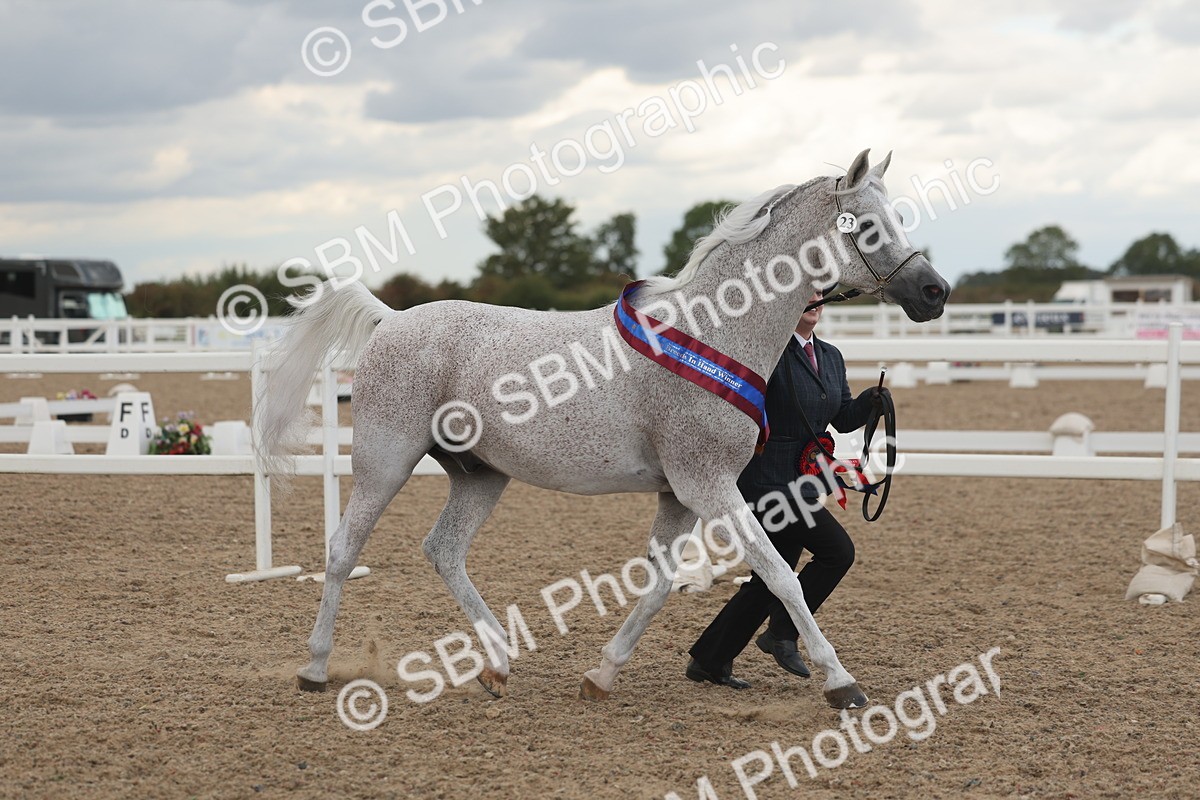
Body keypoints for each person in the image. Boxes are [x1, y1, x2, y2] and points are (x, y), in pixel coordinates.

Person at [686, 287, 889, 688]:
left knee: (769, 577)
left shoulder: (830, 356)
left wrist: (870, 402)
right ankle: (781, 632)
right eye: (805, 296)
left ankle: (710, 659)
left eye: (818, 297)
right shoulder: (770, 353)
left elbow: (842, 417)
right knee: (837, 552)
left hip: (807, 482)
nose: (814, 304)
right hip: (767, 482)